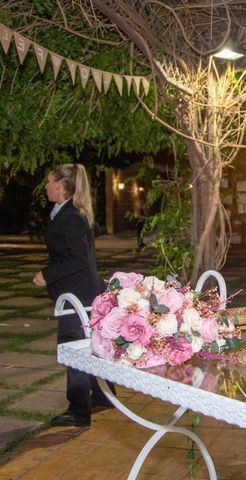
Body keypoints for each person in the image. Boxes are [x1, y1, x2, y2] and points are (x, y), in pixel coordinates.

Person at [32, 163, 114, 427]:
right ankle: (105, 394)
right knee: (90, 345)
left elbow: (78, 259)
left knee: (74, 347)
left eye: (49, 181)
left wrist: (47, 274)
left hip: (77, 296)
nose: (45, 186)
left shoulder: (71, 216)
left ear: (62, 185)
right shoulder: (68, 212)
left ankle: (79, 410)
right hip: (82, 293)